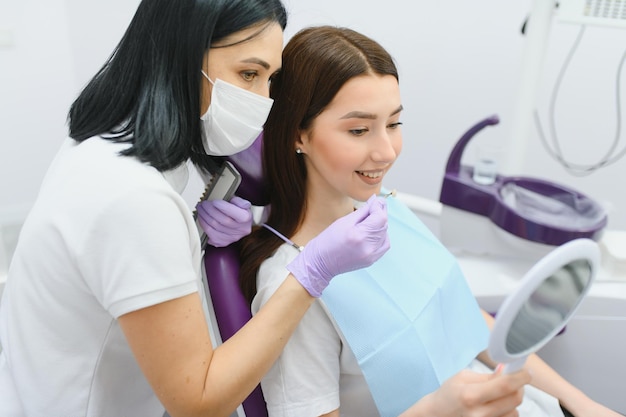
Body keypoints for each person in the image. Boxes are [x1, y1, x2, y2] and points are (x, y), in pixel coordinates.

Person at [0, 3, 391, 416]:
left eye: (270, 79)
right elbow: (198, 400)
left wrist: (224, 231)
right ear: (182, 58)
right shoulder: (131, 197)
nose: (263, 104)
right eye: (248, 74)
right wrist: (312, 272)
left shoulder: (108, 143)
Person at [239, 25, 623, 417]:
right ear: (297, 134)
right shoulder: (290, 287)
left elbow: (469, 321)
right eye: (358, 130)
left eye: (394, 124)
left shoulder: (385, 209)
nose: (386, 151)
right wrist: (439, 411)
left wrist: (580, 404)